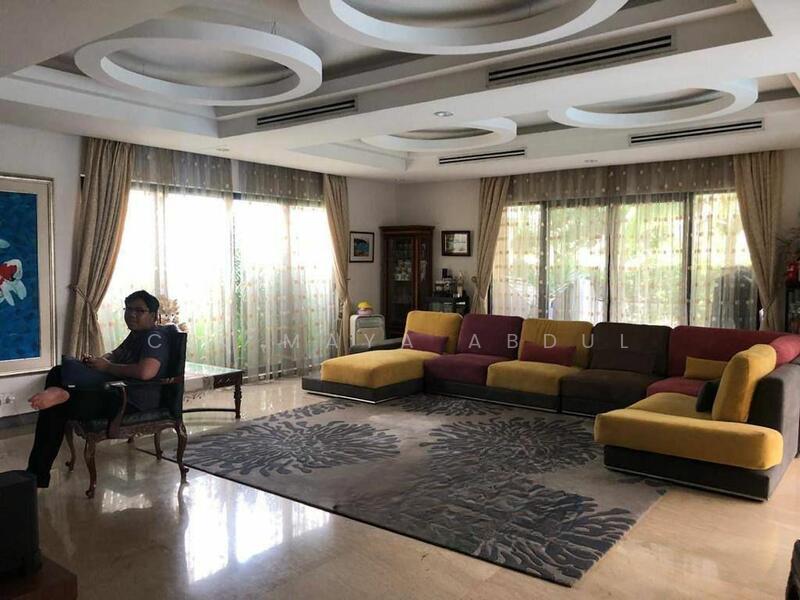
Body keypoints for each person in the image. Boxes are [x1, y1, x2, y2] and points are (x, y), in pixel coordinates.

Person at [26, 290, 170, 488]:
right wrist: (98, 361)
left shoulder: (154, 337)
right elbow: (115, 354)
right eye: (128, 309)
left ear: (153, 315)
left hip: (132, 399)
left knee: (56, 408)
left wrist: (108, 367)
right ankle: (61, 392)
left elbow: (146, 372)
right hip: (113, 388)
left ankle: (35, 476)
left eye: (139, 310)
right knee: (58, 372)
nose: (131, 314)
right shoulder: (135, 335)